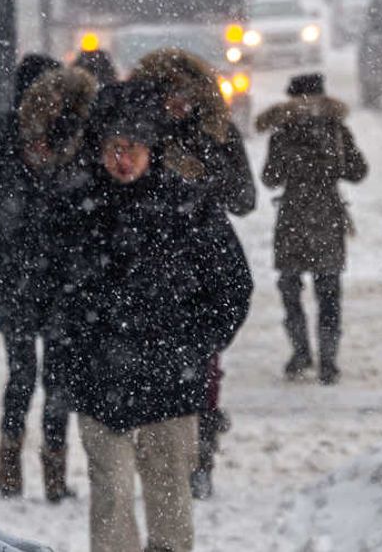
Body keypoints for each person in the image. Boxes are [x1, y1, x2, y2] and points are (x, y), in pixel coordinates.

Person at [56, 81, 251, 552]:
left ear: (152, 149)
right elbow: (54, 292)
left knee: (169, 498)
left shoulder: (189, 207)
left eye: (133, 149)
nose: (123, 159)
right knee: (113, 495)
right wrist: (74, 351)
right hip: (100, 378)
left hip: (171, 377)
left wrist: (198, 342)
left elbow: (233, 285)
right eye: (114, 149)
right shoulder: (79, 208)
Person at [128, 48, 256, 500]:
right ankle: (159, 454)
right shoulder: (137, 136)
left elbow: (244, 198)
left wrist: (202, 176)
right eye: (168, 95)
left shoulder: (215, 135)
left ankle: (199, 455)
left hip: (202, 257)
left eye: (185, 95)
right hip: (147, 256)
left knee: (202, 365)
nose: (177, 104)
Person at [0, 53, 81, 501]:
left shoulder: (69, 134)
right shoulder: (5, 130)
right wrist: (26, 170)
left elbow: (80, 197)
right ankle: (13, 467)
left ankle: (50, 471)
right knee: (26, 375)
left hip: (43, 272)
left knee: (53, 377)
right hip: (28, 270)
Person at [257, 73, 367, 384]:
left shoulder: (282, 133)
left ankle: (301, 352)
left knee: (290, 289)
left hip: (292, 218)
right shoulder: (336, 130)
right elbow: (358, 171)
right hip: (327, 216)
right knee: (329, 291)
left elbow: (270, 178)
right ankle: (329, 361)